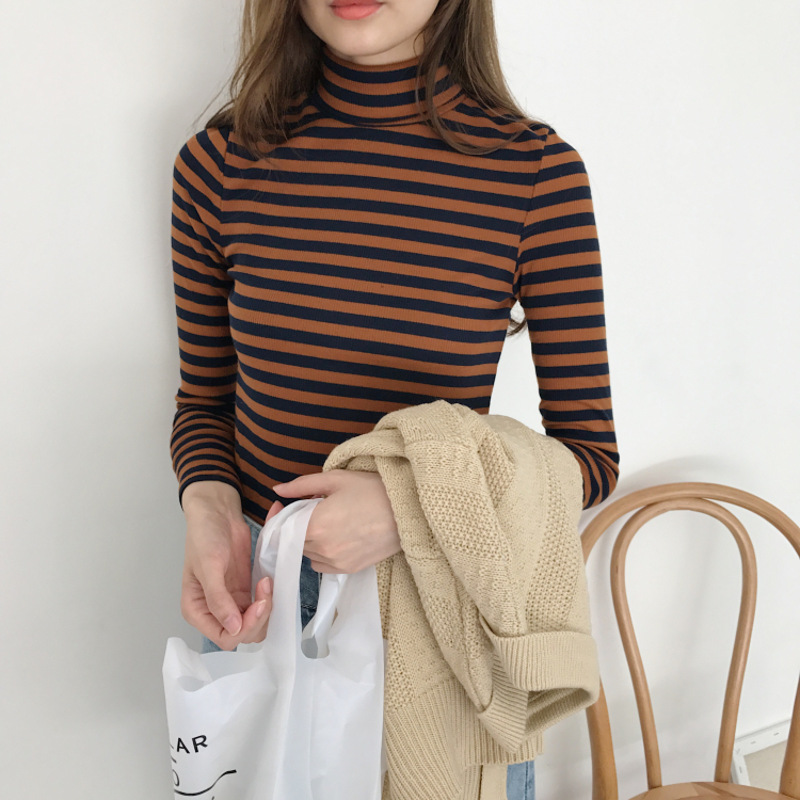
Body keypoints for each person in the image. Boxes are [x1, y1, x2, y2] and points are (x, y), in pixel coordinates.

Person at [169, 0, 620, 797]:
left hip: (448, 595)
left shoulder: (534, 174)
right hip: (264, 595)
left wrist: (409, 506)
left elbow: (589, 457)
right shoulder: (218, 163)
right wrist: (209, 510)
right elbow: (204, 402)